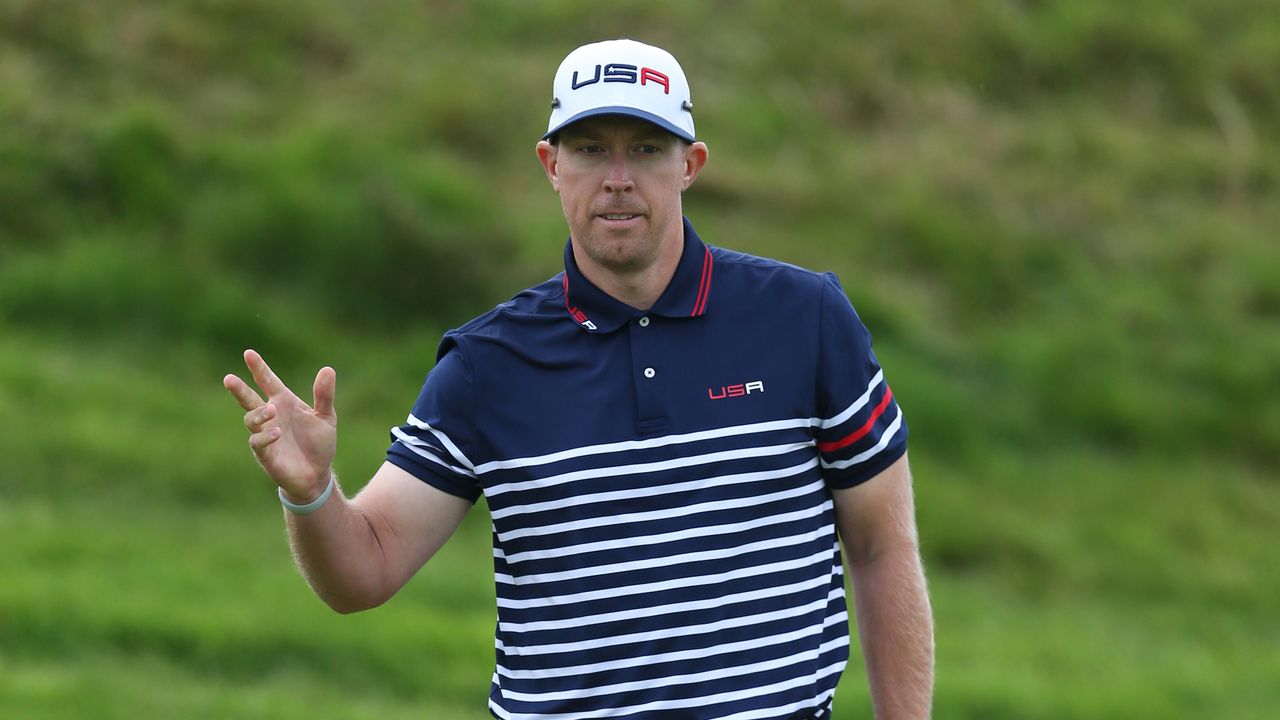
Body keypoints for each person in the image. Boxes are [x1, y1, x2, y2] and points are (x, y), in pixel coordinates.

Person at [224, 39, 933, 720]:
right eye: (591, 150)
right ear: (550, 164)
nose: (617, 179)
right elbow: (363, 572)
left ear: (690, 164)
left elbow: (881, 546)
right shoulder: (485, 366)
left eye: (646, 150)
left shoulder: (805, 320)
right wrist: (312, 493)